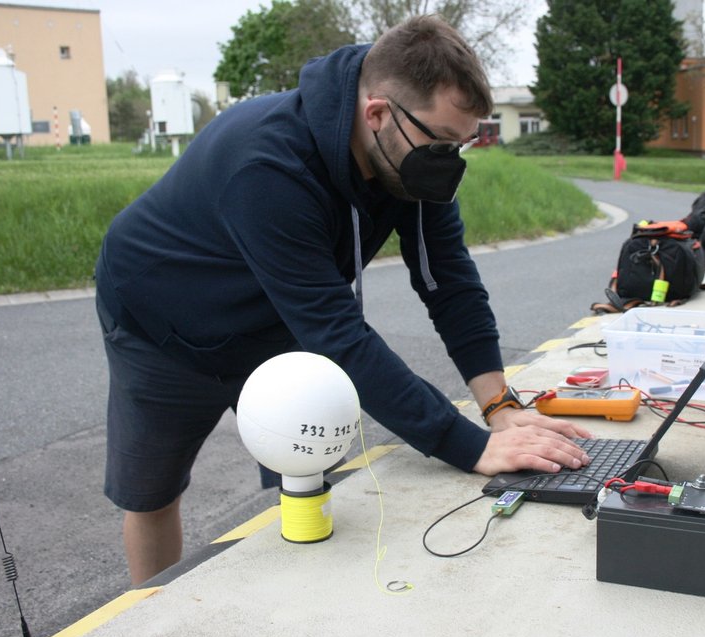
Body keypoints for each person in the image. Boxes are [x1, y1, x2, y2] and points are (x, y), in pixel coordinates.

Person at [95, 15, 592, 586]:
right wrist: (470, 446)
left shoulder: (408, 155)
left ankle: (293, 603)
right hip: (162, 322)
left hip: (280, 314)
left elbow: (448, 281)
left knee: (308, 475)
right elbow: (337, 335)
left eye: (462, 144)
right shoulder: (267, 165)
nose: (449, 161)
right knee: (153, 492)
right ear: (377, 113)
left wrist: (500, 408)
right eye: (441, 143)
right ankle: (151, 627)